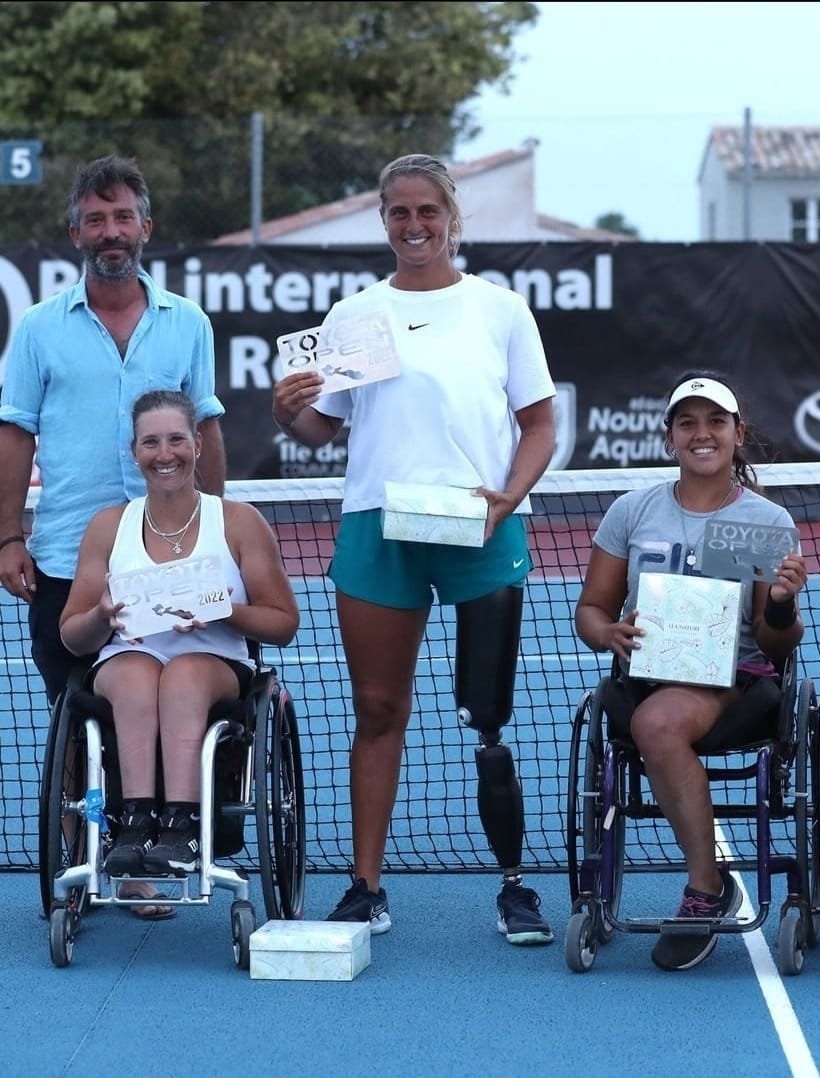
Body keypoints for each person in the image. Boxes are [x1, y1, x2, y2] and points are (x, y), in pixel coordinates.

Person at [271, 152, 557, 945]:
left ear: (453, 217)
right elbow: (319, 429)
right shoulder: (353, 316)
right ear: (384, 221)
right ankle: (366, 887)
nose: (414, 225)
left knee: (490, 717)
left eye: (428, 210)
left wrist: (508, 496)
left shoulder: (500, 310)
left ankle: (514, 885)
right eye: (399, 212)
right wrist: (287, 409)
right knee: (377, 710)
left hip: (479, 525)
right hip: (377, 525)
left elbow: (538, 425)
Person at [0, 154, 226, 917]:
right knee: (78, 718)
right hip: (69, 560)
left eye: (122, 216)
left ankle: (146, 858)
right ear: (75, 233)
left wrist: (216, 538)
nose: (110, 231)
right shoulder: (38, 329)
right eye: (95, 219)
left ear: (145, 228)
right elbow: (15, 435)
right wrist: (7, 536)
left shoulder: (187, 323)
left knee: (162, 709)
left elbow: (208, 428)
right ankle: (85, 864)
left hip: (173, 562)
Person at [574, 371, 808, 971]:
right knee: (651, 716)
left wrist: (780, 602)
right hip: (647, 669)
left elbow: (779, 642)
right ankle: (714, 883)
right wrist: (608, 632)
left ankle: (706, 889)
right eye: (688, 423)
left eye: (715, 422)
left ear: (737, 434)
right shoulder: (633, 510)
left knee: (656, 726)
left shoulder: (764, 521)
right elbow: (592, 611)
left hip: (736, 680)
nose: (702, 434)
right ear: (669, 438)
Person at [58, 391, 298, 910]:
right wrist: (101, 616)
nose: (164, 453)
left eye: (176, 440)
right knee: (136, 674)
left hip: (216, 660)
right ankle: (136, 820)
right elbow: (72, 635)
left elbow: (283, 623)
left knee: (185, 673)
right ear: (134, 451)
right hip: (127, 656)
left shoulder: (236, 522)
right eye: (151, 442)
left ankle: (184, 825)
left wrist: (222, 612)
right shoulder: (108, 526)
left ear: (196, 444)